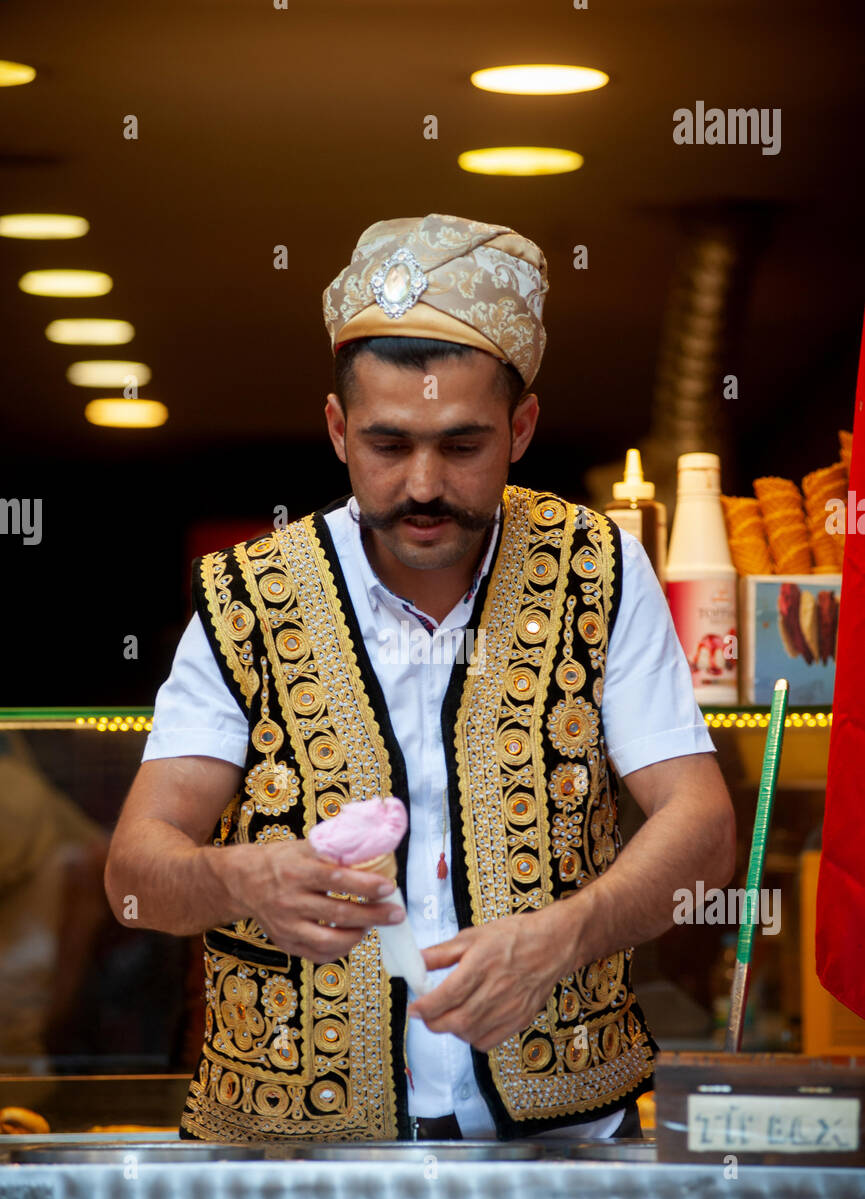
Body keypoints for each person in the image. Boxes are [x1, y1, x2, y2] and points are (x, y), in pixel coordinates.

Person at [104, 213, 736, 1145]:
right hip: (298, 1158)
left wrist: (561, 935)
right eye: (389, 445)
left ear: (521, 427)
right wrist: (243, 879)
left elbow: (704, 828)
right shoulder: (250, 594)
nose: (425, 484)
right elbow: (134, 874)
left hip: (556, 1144)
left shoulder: (597, 568)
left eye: (463, 444)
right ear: (336, 429)